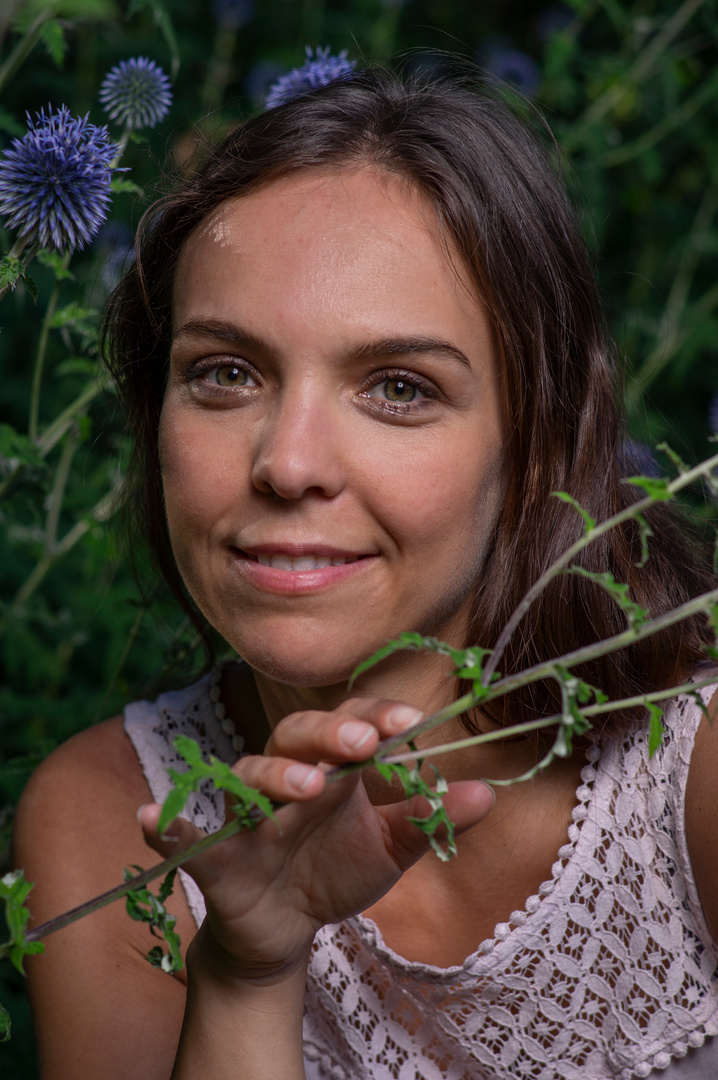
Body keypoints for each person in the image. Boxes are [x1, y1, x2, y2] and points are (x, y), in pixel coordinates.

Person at [13, 66, 718, 1080]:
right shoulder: (105, 820)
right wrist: (248, 975)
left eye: (397, 388)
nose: (288, 463)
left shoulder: (690, 772)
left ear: (532, 446)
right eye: (225, 373)